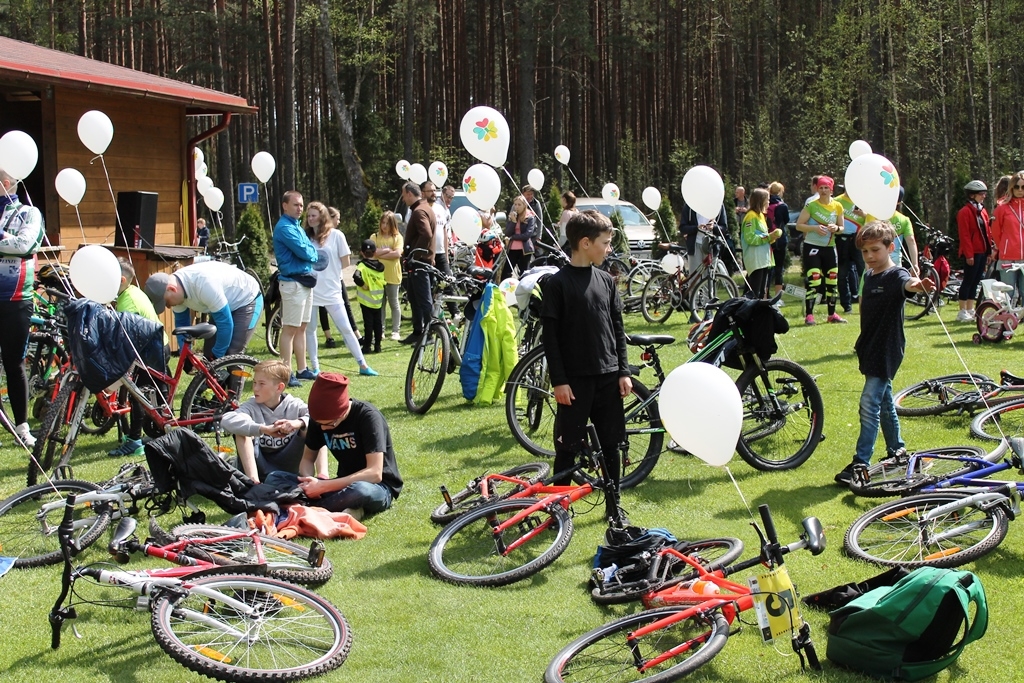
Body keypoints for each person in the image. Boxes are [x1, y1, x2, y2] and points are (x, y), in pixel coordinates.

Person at [541, 210, 631, 522]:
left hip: (608, 378)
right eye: (605, 243)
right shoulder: (557, 284)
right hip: (574, 384)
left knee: (611, 446)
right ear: (584, 243)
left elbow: (618, 329)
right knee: (568, 447)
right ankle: (557, 510)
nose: (609, 249)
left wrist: (623, 371)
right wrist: (559, 381)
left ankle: (614, 507)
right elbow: (550, 339)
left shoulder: (607, 281)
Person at [834, 221, 935, 484]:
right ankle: (898, 452)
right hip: (869, 346)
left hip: (887, 349)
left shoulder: (896, 275)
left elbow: (909, 284)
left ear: (890, 247)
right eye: (865, 252)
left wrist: (919, 285)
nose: (869, 257)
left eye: (875, 250)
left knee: (869, 403)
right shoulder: (869, 275)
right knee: (885, 401)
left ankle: (860, 463)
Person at [265, 372, 402, 517]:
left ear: (342, 412)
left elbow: (374, 473)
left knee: (360, 490)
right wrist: (309, 482)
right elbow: (307, 459)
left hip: (377, 487)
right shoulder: (318, 419)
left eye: (330, 424)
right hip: (338, 486)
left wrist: (323, 486)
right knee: (274, 478)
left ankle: (310, 509)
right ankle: (339, 507)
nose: (323, 429)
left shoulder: (368, 417)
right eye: (320, 424)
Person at [221, 360, 327, 484]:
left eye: (261, 384)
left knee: (316, 427)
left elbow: (320, 415)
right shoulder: (251, 406)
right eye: (254, 382)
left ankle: (321, 477)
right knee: (241, 432)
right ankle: (253, 483)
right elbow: (226, 420)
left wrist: (299, 423)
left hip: (290, 465)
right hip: (260, 465)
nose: (255, 388)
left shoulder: (294, 405)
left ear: (279, 387)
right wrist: (262, 429)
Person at [303, 201, 376, 377]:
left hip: (332, 291)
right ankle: (315, 367)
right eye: (309, 216)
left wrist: (331, 272)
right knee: (310, 330)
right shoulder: (305, 236)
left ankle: (363, 365)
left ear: (322, 217)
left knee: (346, 328)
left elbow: (345, 261)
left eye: (314, 215)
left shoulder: (336, 236)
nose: (310, 219)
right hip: (310, 290)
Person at [0, 169, 44, 448]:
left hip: (15, 299)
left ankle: (23, 427)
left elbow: (24, 243)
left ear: (5, 183)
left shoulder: (29, 212)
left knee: (13, 364)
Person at [109, 257, 169, 458]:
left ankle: (135, 441)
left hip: (152, 350)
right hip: (157, 345)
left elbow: (124, 338)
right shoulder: (132, 292)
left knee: (139, 394)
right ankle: (160, 432)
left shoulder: (128, 302)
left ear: (122, 281)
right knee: (153, 394)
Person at [143, 260, 263, 359]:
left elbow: (226, 325)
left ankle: (233, 387)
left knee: (232, 353)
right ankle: (215, 386)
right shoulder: (176, 292)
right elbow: (182, 326)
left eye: (166, 302)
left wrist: (216, 357)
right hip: (223, 305)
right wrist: (186, 356)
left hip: (247, 299)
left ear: (172, 289)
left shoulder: (204, 284)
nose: (168, 306)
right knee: (209, 353)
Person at [273, 190, 320, 385]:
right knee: (290, 329)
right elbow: (305, 251)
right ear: (285, 206)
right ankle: (286, 373)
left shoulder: (297, 226)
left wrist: (310, 252)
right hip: (292, 283)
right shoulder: (285, 227)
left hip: (304, 282)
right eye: (296, 205)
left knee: (301, 327)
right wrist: (311, 252)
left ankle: (302, 369)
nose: (300, 208)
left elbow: (310, 251)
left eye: (301, 205)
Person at [794, 175, 846, 324]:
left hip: (830, 247)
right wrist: (815, 228)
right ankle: (809, 315)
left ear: (831, 190)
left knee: (832, 280)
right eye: (821, 188)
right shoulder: (811, 205)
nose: (823, 191)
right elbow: (799, 225)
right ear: (817, 189)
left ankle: (832, 314)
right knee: (814, 279)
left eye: (826, 188)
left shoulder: (837, 206)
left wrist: (836, 228)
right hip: (812, 247)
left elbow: (842, 228)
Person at [400, 181, 435, 344]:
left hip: (420, 263)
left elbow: (426, 234)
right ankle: (417, 331)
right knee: (414, 297)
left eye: (403, 194)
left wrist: (415, 254)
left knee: (424, 299)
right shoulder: (424, 208)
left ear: (409, 194)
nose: (403, 198)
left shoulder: (419, 211)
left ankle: (429, 333)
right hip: (420, 262)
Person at [956, 180, 993, 322]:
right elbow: (964, 235)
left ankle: (970, 308)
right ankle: (962, 310)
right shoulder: (964, 212)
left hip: (982, 251)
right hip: (972, 252)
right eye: (981, 194)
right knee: (968, 281)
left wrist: (989, 252)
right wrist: (969, 254)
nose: (984, 196)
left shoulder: (982, 210)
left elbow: (987, 232)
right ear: (972, 195)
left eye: (984, 194)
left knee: (976, 281)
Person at [740, 188, 783, 299]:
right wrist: (769, 236)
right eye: (767, 199)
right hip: (755, 259)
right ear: (761, 200)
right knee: (753, 293)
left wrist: (773, 237)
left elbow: (763, 236)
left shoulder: (760, 216)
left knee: (760, 292)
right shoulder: (751, 216)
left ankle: (756, 314)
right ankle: (747, 314)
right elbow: (750, 238)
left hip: (763, 259)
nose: (769, 202)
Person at [371, 210, 404, 341]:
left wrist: (380, 254)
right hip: (378, 276)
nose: (384, 226)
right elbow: (371, 252)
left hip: (393, 275)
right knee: (380, 303)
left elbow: (397, 254)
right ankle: (380, 330)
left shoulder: (397, 237)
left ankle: (396, 331)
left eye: (387, 223)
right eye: (382, 222)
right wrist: (386, 250)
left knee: (393, 303)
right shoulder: (375, 237)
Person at [991, 171, 1024, 305]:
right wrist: (1002, 247)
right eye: (1017, 187)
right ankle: (1003, 322)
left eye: (1023, 187)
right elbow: (995, 231)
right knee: (1007, 292)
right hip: (1008, 256)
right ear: (1011, 188)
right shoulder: (1002, 208)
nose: (1020, 190)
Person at [833, 188, 866, 313]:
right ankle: (846, 306)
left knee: (864, 272)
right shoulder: (837, 201)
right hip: (841, 241)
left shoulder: (864, 202)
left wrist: (863, 215)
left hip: (858, 240)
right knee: (842, 274)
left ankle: (867, 301)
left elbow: (871, 219)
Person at [353, 239, 386, 354]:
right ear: (375, 251)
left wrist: (363, 284)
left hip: (366, 301)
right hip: (377, 300)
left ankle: (367, 346)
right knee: (378, 324)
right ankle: (378, 346)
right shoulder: (381, 266)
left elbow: (356, 276)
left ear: (362, 252)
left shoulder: (362, 265)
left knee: (369, 324)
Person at [767, 182, 790, 301]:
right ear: (781, 191)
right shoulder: (783, 206)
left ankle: (765, 295)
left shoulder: (765, 203)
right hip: (780, 239)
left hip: (768, 239)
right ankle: (777, 297)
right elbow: (786, 220)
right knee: (779, 269)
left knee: (767, 268)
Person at [504, 194, 537, 276]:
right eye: (515, 204)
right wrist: (513, 222)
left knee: (524, 273)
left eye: (519, 205)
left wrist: (513, 237)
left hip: (525, 250)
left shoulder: (530, 217)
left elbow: (527, 235)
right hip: (512, 249)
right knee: (506, 272)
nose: (517, 207)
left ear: (524, 205)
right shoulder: (513, 216)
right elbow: (507, 233)